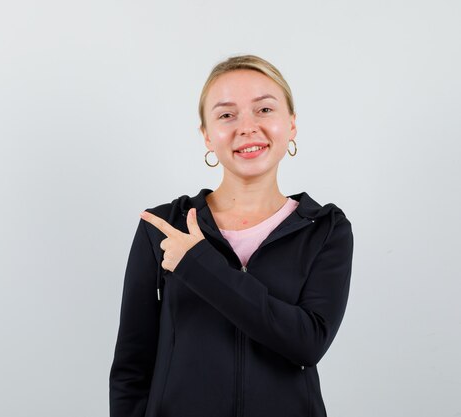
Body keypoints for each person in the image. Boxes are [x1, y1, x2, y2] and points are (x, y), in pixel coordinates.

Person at [109, 54, 354, 417]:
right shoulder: (165, 227)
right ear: (207, 135)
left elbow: (307, 343)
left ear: (292, 124)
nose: (247, 127)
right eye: (227, 115)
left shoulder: (325, 229)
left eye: (264, 110)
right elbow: (132, 368)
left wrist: (198, 265)